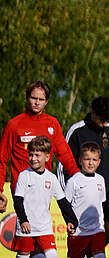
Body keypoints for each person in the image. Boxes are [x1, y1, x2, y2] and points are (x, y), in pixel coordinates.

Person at [8, 136, 80, 258]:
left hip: (44, 225)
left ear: (47, 157)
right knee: (24, 257)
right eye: (31, 154)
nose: (33, 158)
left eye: (37, 155)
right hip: (26, 225)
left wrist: (72, 220)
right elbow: (17, 200)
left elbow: (62, 202)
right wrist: (23, 220)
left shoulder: (52, 178)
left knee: (52, 255)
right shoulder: (24, 176)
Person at [63, 96, 109, 258]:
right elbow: (63, 163)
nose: (105, 123)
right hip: (80, 194)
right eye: (102, 118)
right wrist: (66, 195)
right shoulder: (77, 130)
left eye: (107, 120)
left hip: (103, 192)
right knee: (86, 234)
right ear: (93, 113)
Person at [1, 81, 79, 211]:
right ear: (27, 98)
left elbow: (65, 154)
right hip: (21, 187)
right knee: (25, 226)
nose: (37, 102)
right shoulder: (14, 124)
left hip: (44, 186)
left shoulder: (52, 123)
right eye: (33, 98)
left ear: (46, 102)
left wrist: (78, 178)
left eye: (41, 99)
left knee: (40, 225)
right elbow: (2, 159)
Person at [61, 142, 109, 258]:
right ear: (80, 160)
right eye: (87, 159)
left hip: (97, 229)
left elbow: (100, 203)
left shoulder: (100, 180)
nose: (91, 163)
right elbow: (66, 205)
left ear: (99, 161)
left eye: (94, 159)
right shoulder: (74, 181)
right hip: (79, 231)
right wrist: (69, 223)